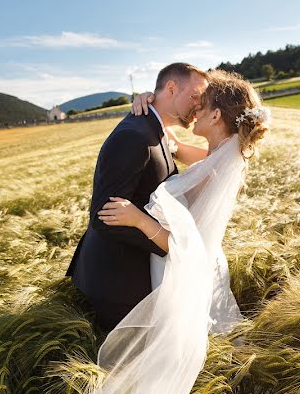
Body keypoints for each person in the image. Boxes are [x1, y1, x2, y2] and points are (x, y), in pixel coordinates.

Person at [0, 69, 271, 394]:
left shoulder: (221, 164)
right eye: (191, 97)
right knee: (134, 392)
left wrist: (142, 220)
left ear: (216, 114)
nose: (196, 107)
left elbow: (191, 245)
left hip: (175, 274)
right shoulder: (217, 151)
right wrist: (146, 103)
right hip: (159, 274)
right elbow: (168, 143)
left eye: (203, 102)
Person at [65, 62, 208, 333]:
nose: (199, 105)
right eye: (195, 95)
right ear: (171, 88)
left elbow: (210, 161)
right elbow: (103, 217)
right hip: (117, 282)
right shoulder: (134, 136)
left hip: (137, 270)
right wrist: (166, 242)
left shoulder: (158, 128)